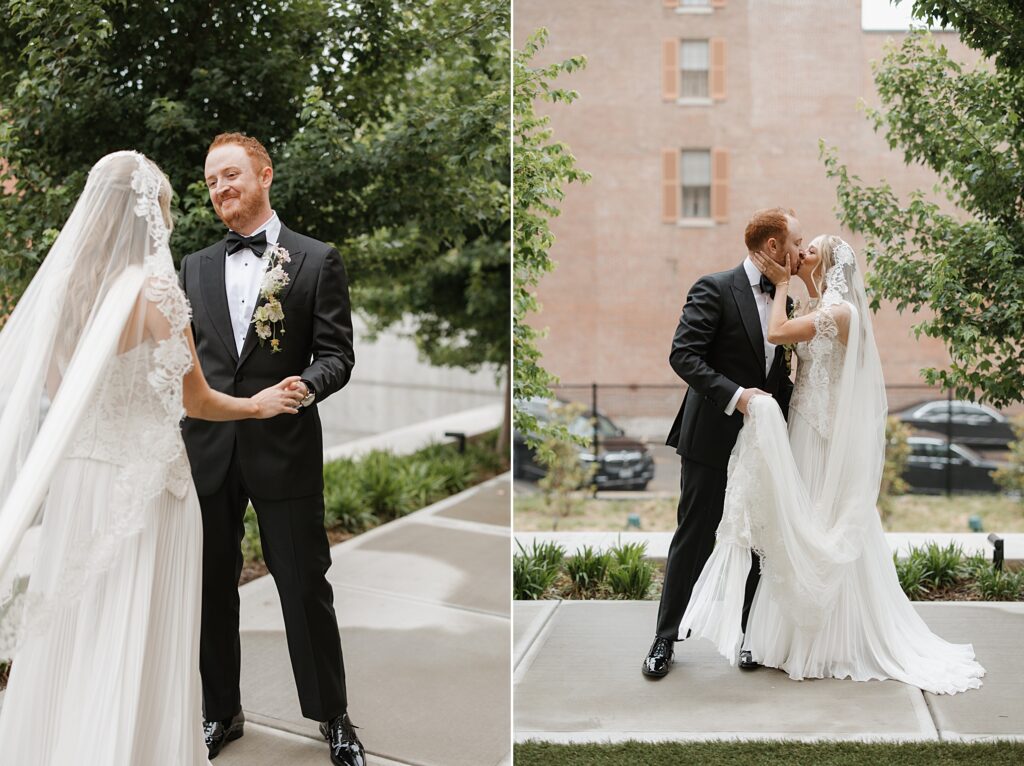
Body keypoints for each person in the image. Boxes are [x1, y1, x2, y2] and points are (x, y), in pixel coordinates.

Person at [0, 150, 304, 764]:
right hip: (146, 486)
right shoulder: (155, 287)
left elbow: (63, 396)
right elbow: (197, 400)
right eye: (163, 208)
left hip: (82, 478)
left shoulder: (66, 289)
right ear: (147, 212)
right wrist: (260, 404)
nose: (167, 222)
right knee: (135, 628)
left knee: (74, 627)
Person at [678, 235, 985, 694]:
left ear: (832, 266)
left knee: (823, 525)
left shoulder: (839, 312)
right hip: (799, 427)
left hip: (822, 437)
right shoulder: (815, 307)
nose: (800, 255)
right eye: (800, 247)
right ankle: (779, 638)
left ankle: (829, 640)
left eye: (811, 250)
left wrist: (780, 284)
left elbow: (776, 333)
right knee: (791, 529)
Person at [179, 133, 362, 764]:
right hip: (206, 452)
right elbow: (192, 366)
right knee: (209, 589)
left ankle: (333, 717)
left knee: (304, 585)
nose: (220, 188)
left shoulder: (315, 259)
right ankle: (220, 712)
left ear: (264, 175)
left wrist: (306, 388)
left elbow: (338, 355)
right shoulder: (193, 266)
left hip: (284, 448)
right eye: (210, 182)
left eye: (230, 175)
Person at [643, 207, 801, 678]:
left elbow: (777, 374)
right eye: (795, 241)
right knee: (694, 536)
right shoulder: (714, 287)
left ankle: (748, 636)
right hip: (712, 434)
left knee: (758, 539)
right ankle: (664, 639)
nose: (800, 250)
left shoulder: (785, 300)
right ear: (773, 246)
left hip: (762, 442)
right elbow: (683, 355)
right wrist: (737, 397)